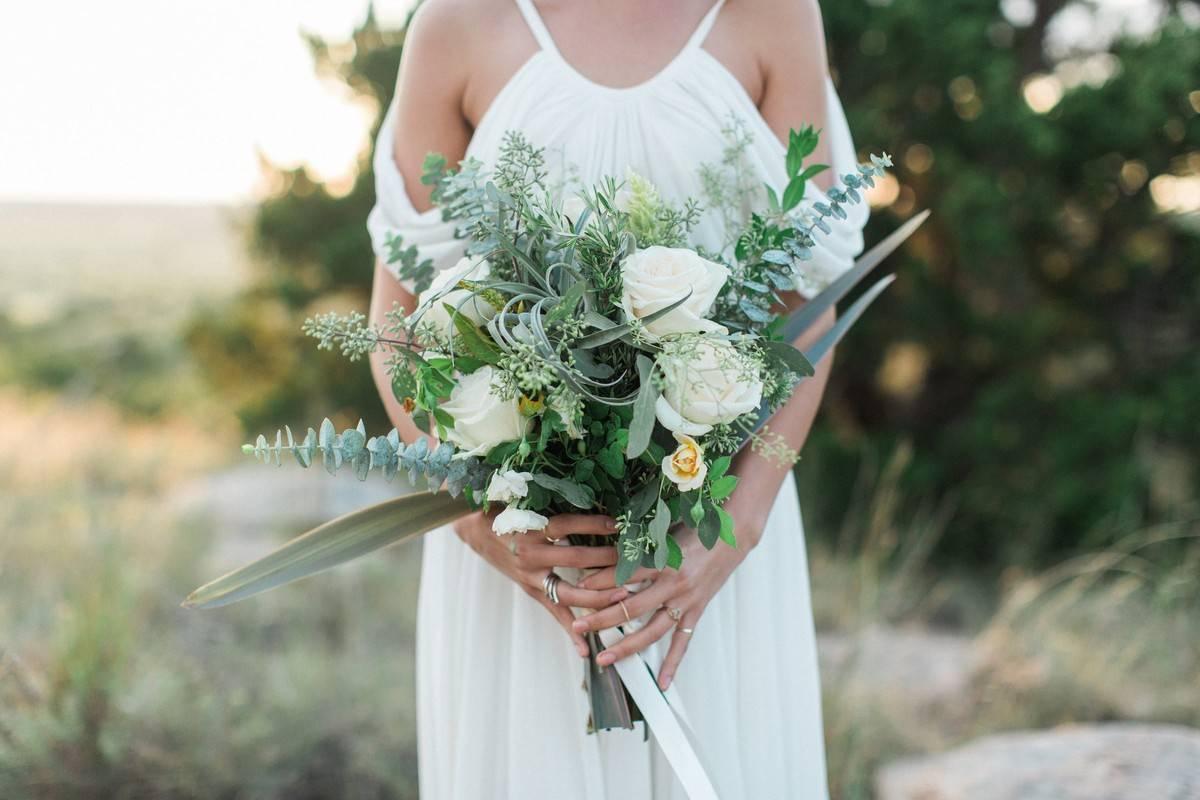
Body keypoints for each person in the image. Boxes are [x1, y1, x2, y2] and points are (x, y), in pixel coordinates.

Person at [365, 0, 868, 796]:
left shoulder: (774, 13)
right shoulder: (455, 24)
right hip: (521, 553)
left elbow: (806, 312)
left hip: (707, 540)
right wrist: (478, 524)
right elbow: (396, 325)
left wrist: (732, 533)